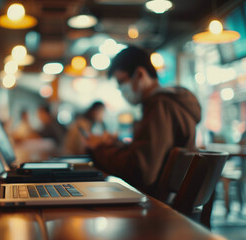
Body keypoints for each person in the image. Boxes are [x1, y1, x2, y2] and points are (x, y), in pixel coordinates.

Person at [85, 46, 201, 194]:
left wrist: (99, 148)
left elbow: (141, 171)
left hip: (157, 207)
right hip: (169, 198)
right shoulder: (171, 103)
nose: (120, 89)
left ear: (140, 74)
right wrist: (116, 145)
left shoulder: (160, 105)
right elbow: (149, 155)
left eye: (121, 81)